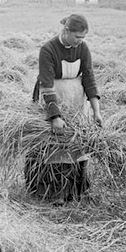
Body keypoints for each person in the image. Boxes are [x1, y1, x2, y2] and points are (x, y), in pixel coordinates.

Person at [29, 13, 102, 203]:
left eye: (83, 38)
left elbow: (89, 79)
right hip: (54, 98)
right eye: (77, 37)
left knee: (79, 142)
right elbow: (46, 85)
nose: (80, 41)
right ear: (67, 31)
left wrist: (96, 111)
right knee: (56, 144)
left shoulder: (83, 48)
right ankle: (55, 192)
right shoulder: (48, 49)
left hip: (77, 100)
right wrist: (55, 116)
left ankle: (77, 191)